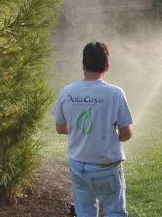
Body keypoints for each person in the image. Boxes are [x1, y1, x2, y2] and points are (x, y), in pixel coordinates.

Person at [53, 42, 133, 217]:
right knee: (114, 211)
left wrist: (81, 131)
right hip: (106, 166)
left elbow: (60, 128)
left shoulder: (67, 92)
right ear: (107, 66)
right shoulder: (115, 93)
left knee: (85, 213)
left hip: (78, 166)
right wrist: (111, 136)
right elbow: (126, 133)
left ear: (83, 65)